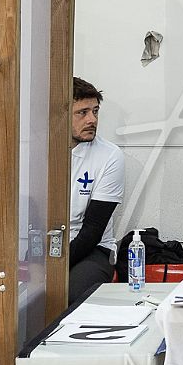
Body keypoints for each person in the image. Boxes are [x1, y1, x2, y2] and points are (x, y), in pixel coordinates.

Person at [68, 77, 123, 305]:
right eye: (82, 112)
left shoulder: (110, 155)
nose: (92, 119)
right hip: (44, 250)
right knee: (2, 292)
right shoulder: (34, 151)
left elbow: (92, 231)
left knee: (73, 295)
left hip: (93, 249)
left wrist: (52, 269)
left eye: (95, 111)